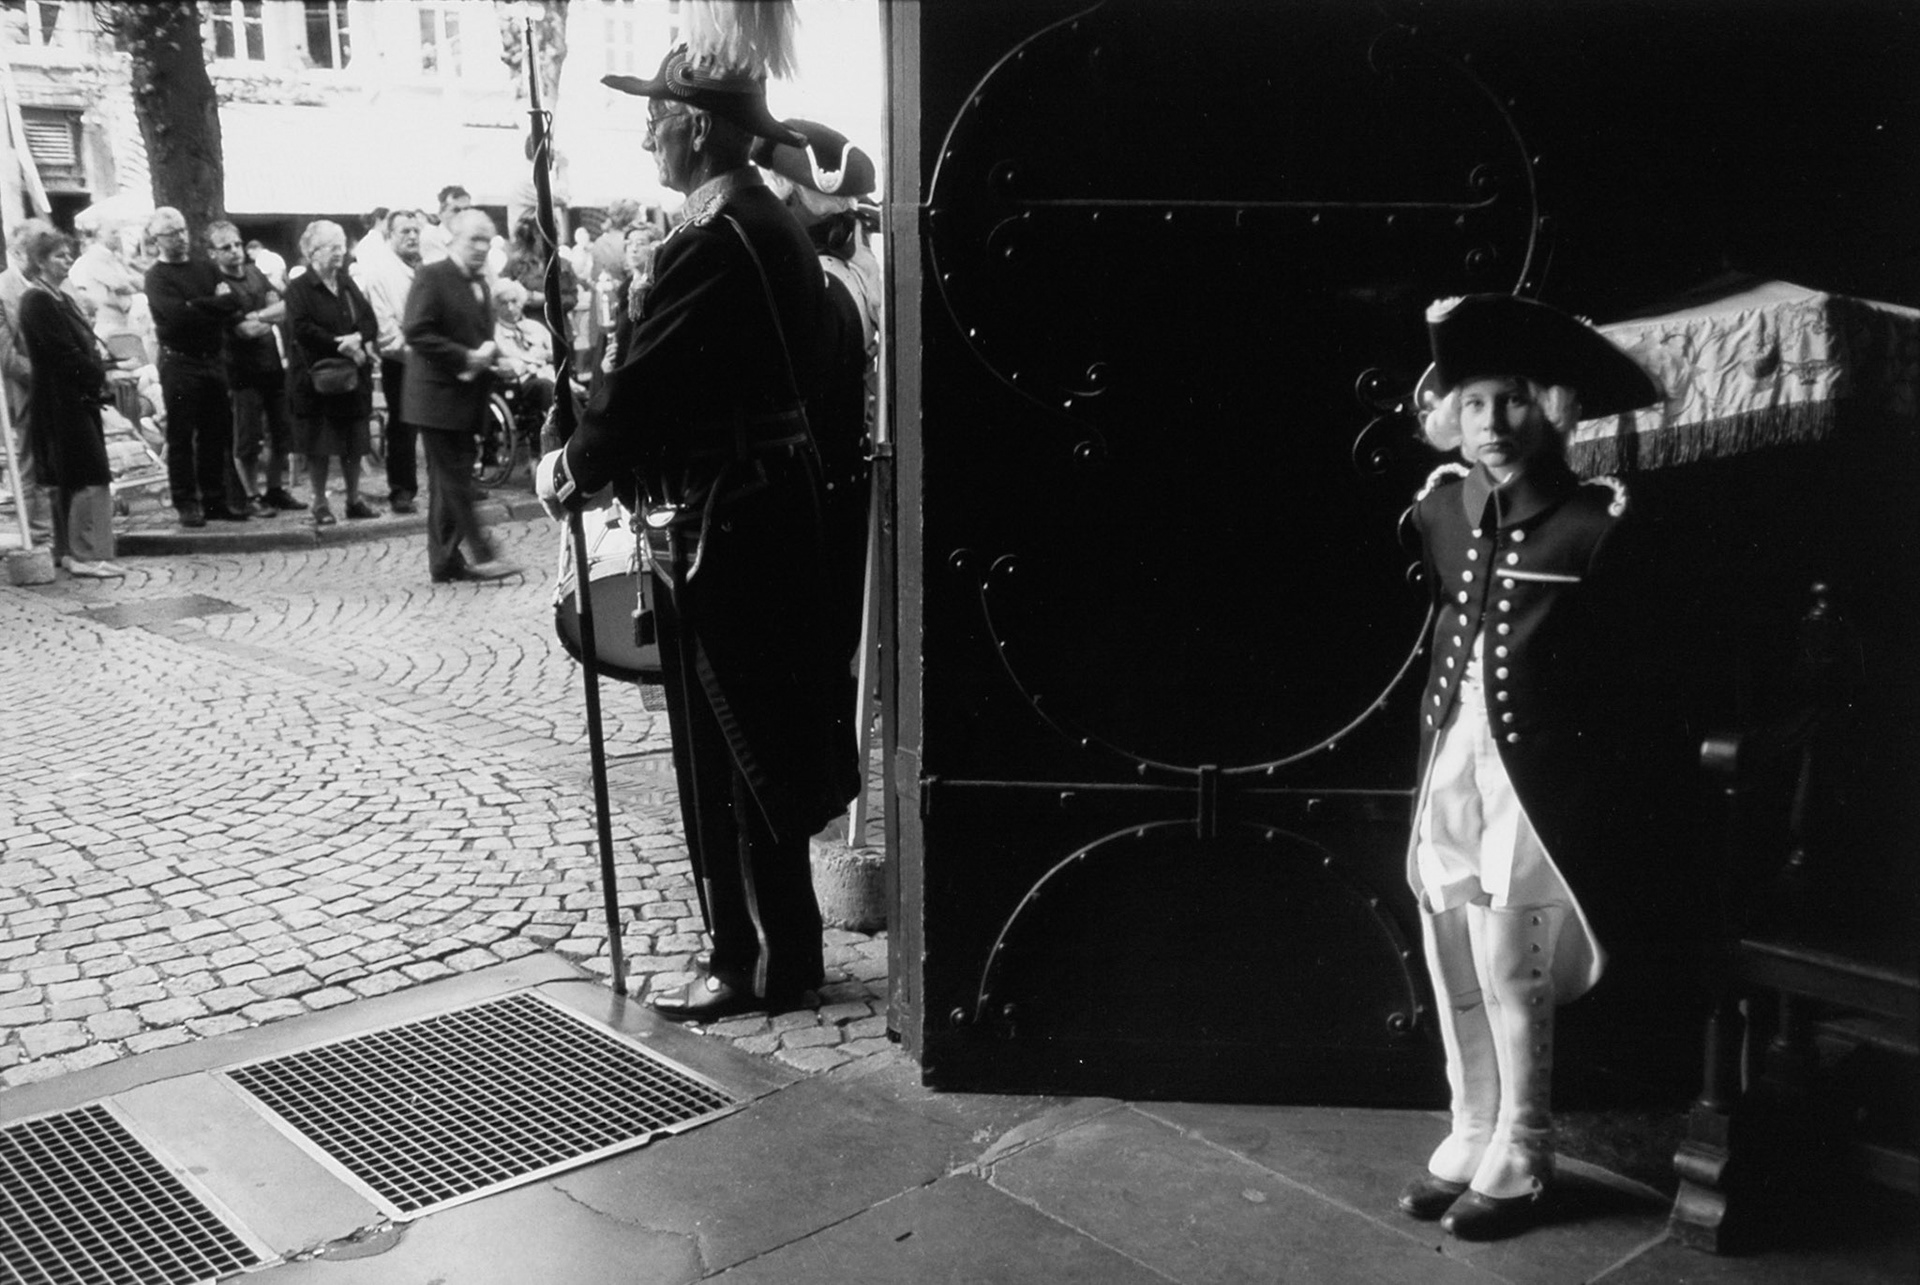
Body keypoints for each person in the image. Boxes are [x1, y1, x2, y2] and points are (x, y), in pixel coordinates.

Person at [537, 10, 859, 1022]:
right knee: (749, 739)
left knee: (727, 749)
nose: (647, 135)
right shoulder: (754, 225)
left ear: (703, 129)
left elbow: (641, 391)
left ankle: (753, 958)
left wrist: (573, 464)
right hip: (754, 508)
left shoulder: (719, 238)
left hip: (732, 523)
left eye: (661, 117)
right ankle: (781, 949)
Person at [1394, 293, 1664, 1241]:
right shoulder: (1437, 507)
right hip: (1452, 758)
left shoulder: (1596, 525)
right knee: (1450, 937)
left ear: (1550, 407)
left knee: (1515, 959)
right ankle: (1471, 1125)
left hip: (1537, 778)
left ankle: (1526, 1144)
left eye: (1512, 402)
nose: (1493, 427)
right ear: (1449, 416)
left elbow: (1630, 681)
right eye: (1473, 405)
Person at [752, 116, 882, 729]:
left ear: (790, 196)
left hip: (819, 494)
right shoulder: (850, 272)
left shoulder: (823, 286)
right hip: (846, 485)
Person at [403, 207, 518, 582]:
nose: (482, 248)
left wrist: (494, 361)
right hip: (435, 400)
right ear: (453, 239)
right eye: (474, 239)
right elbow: (417, 331)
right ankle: (482, 553)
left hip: (465, 400)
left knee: (447, 484)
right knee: (455, 481)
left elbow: (476, 338)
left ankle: (445, 561)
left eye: (487, 240)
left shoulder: (482, 285)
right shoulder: (432, 276)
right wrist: (466, 357)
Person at [17, 222, 126, 577]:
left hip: (76, 398)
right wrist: (99, 373)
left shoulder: (60, 297)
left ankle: (71, 551)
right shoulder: (37, 299)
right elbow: (64, 354)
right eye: (59, 256)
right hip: (61, 401)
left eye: (68, 255)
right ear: (41, 261)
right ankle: (86, 554)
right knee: (87, 475)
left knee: (76, 475)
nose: (67, 261)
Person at [144, 206, 248, 527]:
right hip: (179, 363)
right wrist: (209, 306)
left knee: (215, 433)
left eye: (183, 230)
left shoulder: (205, 268)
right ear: (157, 239)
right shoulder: (157, 277)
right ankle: (186, 501)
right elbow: (175, 318)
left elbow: (233, 303)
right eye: (172, 233)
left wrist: (197, 306)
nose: (181, 238)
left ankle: (215, 499)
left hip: (212, 359)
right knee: (181, 434)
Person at [283, 220, 378, 526]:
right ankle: (320, 502)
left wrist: (357, 338)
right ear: (312, 252)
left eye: (341, 246)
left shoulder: (347, 283)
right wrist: (341, 345)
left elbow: (369, 320)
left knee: (353, 439)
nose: (340, 253)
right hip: (316, 378)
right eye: (331, 247)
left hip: (350, 378)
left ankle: (353, 499)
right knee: (319, 444)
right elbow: (301, 328)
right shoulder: (298, 288)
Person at [208, 220, 299, 516]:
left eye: (237, 244)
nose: (235, 251)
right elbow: (243, 330)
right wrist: (264, 318)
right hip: (240, 370)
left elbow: (284, 307)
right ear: (213, 253)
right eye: (226, 248)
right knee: (247, 438)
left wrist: (257, 315)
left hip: (271, 363)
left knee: (282, 431)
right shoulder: (219, 286)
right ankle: (250, 495)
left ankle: (275, 489)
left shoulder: (255, 273)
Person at [352, 207, 425, 514]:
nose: (411, 236)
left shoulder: (427, 266)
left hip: (434, 357)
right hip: (404, 360)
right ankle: (402, 490)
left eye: (415, 231)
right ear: (389, 236)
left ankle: (454, 485)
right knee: (404, 426)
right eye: (404, 231)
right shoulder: (380, 275)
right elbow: (386, 330)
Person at [0, 223, 52, 546]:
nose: (43, 262)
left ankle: (56, 528)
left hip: (55, 387)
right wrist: (41, 378)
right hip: (25, 389)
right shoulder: (3, 290)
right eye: (37, 256)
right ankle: (35, 531)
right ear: (18, 253)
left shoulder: (48, 282)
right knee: (29, 459)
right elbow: (6, 354)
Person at [490, 278, 556, 434]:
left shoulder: (534, 326)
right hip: (519, 386)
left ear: (521, 302)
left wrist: (547, 355)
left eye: (514, 301)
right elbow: (508, 361)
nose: (510, 307)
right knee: (545, 386)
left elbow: (555, 352)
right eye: (504, 303)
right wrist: (535, 359)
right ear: (496, 307)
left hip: (547, 375)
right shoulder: (495, 333)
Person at [502, 211, 578, 327]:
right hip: (528, 331)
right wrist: (523, 297)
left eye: (552, 231)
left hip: (560, 332)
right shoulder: (515, 265)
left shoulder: (563, 264)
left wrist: (546, 300)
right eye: (539, 232)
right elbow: (501, 296)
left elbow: (572, 298)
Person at [418, 184, 471, 265]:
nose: (463, 215)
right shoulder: (430, 236)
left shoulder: (472, 236)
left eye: (466, 210)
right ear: (441, 213)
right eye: (456, 210)